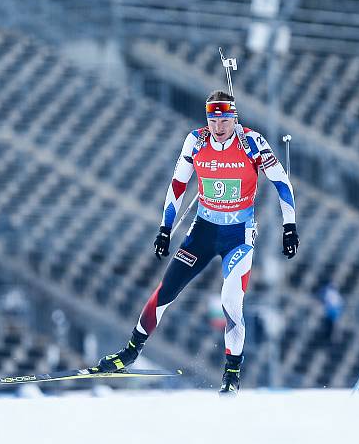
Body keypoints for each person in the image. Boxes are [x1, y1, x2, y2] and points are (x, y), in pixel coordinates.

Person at [94, 90, 299, 395]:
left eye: (225, 119)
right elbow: (178, 185)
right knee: (166, 291)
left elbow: (282, 182)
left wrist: (289, 226)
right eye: (213, 119)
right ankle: (130, 353)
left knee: (231, 301)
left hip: (238, 236)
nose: (218, 126)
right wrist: (165, 229)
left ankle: (231, 374)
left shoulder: (252, 143)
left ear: (234, 117)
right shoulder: (196, 141)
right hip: (202, 232)